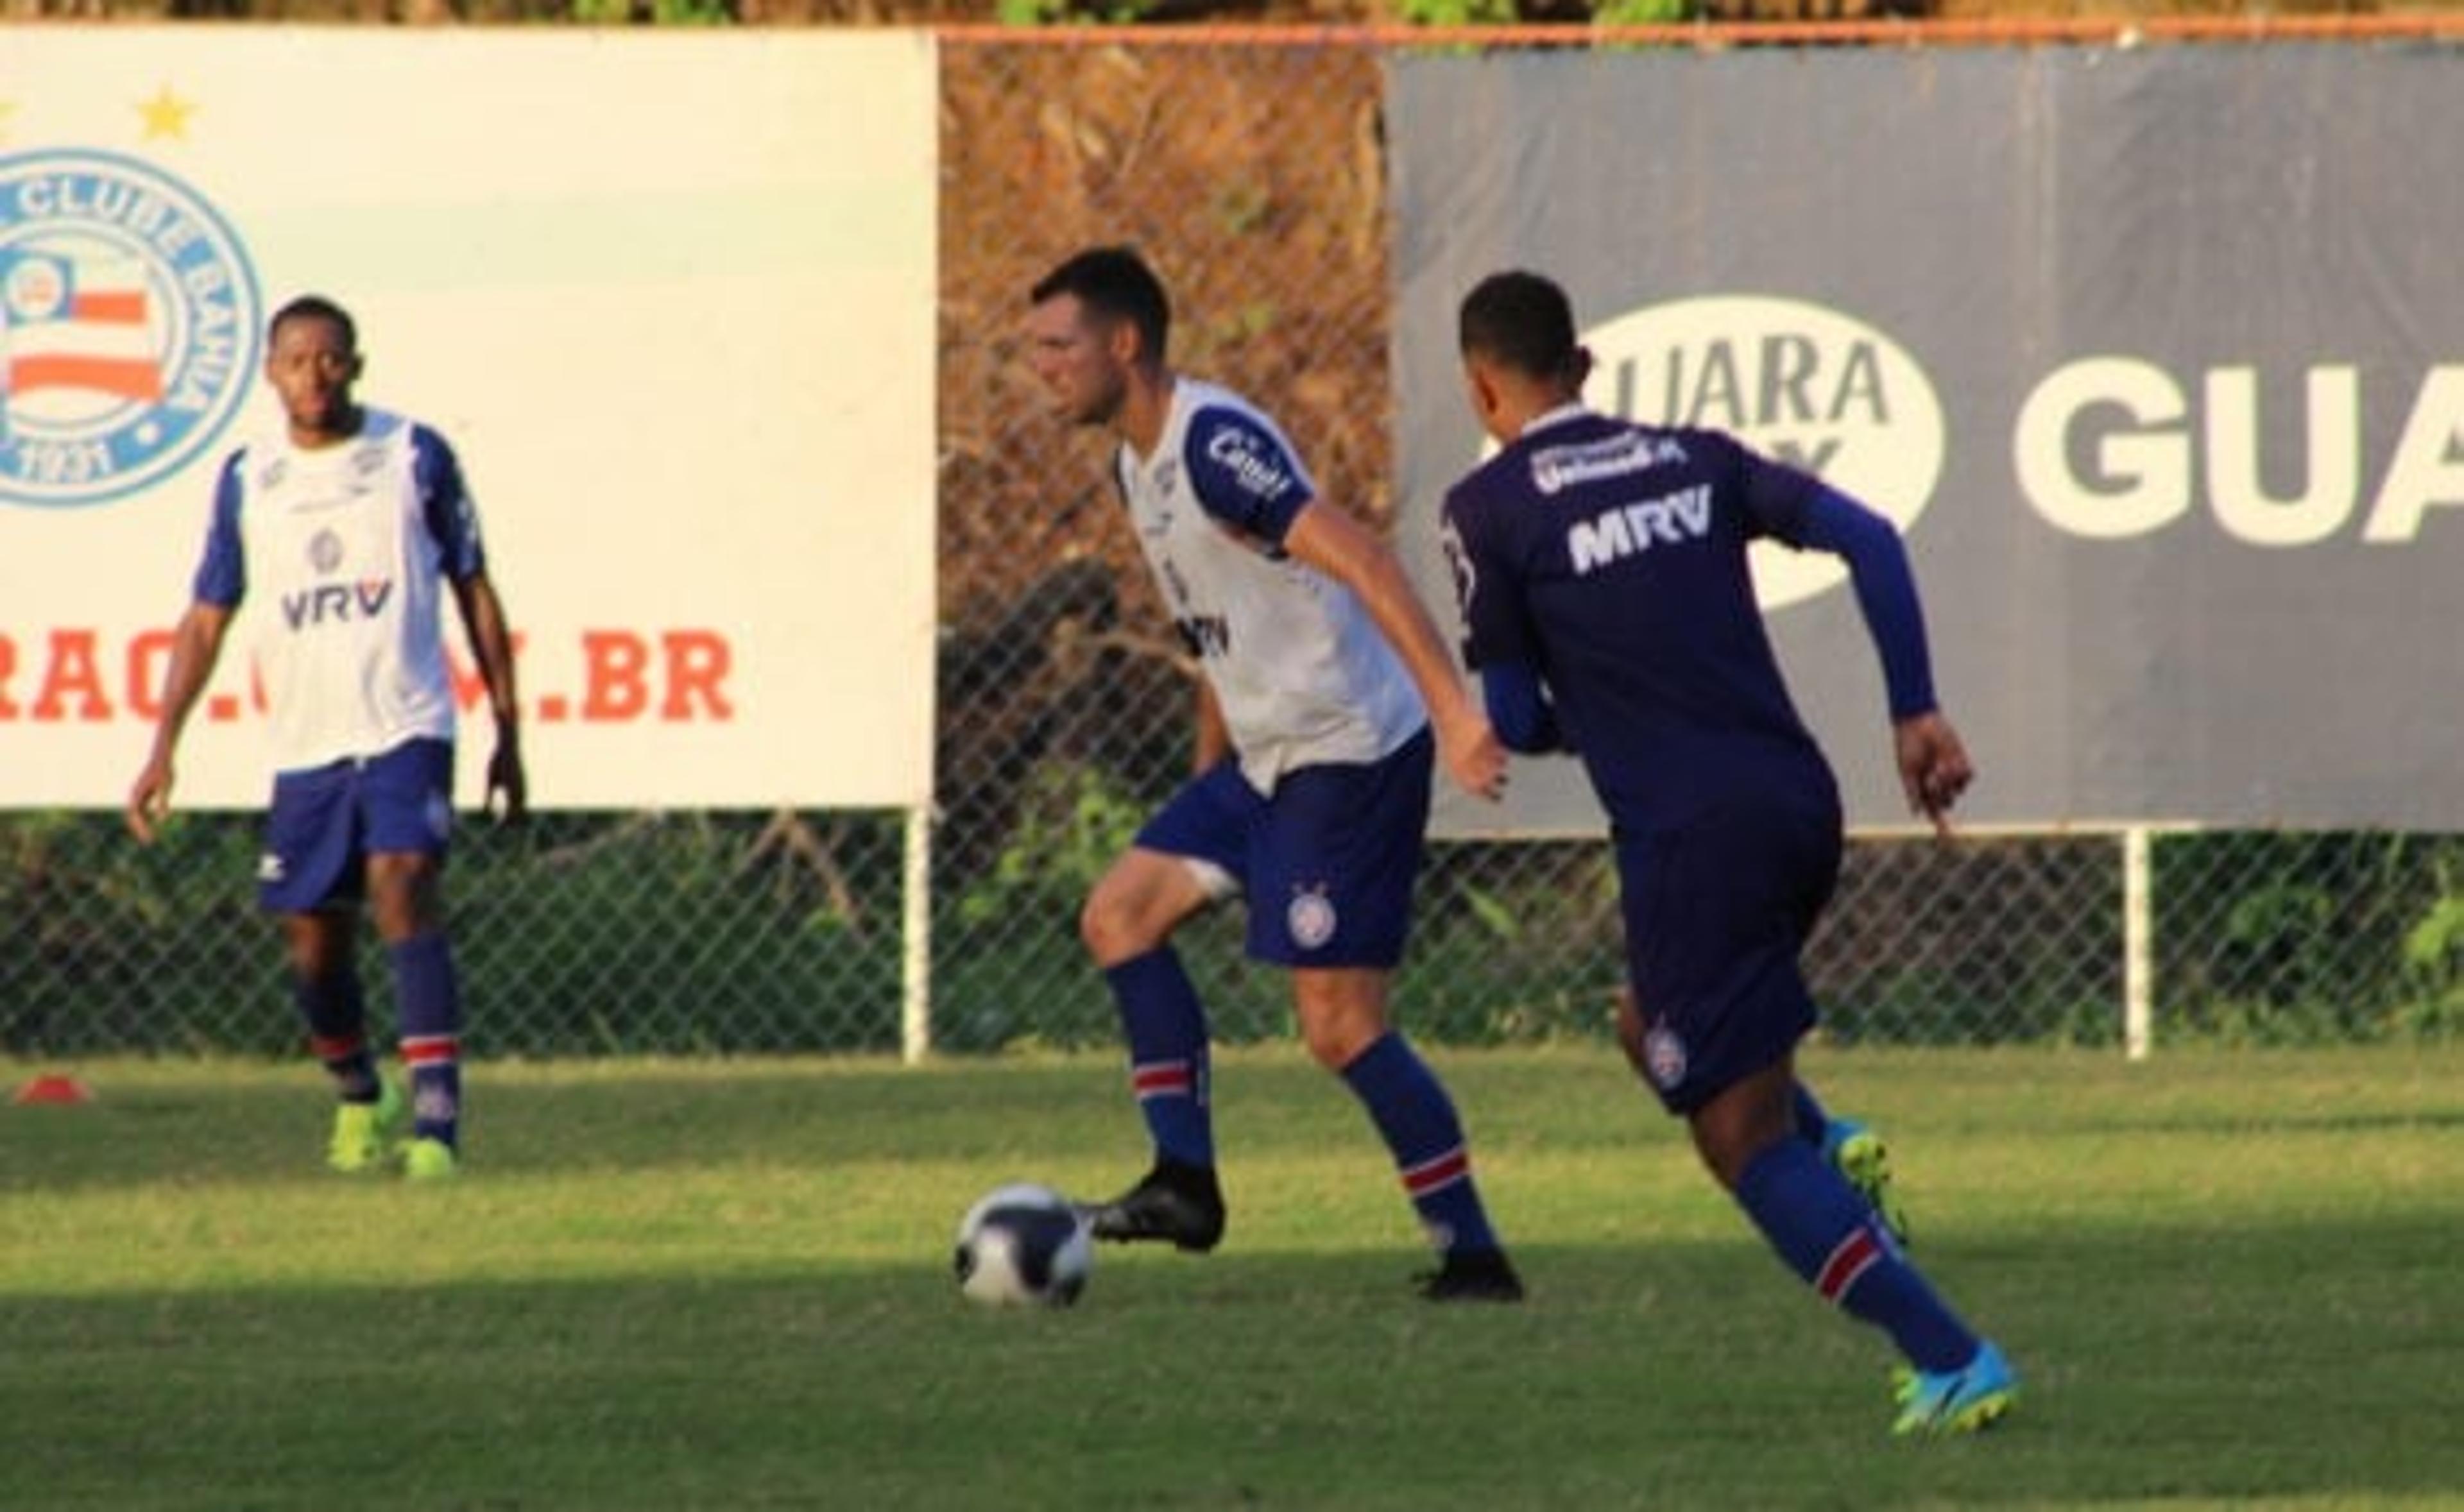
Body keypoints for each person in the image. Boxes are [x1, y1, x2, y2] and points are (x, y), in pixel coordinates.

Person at [1439, 269, 2017, 1431]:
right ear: (1585, 367)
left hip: (1691, 837)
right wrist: (1913, 708)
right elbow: (1868, 534)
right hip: (1796, 804)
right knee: (1643, 1012)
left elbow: (1518, 709)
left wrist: (1566, 701)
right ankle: (1836, 1143)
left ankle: (1953, 1357)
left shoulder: (1487, 509)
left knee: (1735, 1139)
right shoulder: (1694, 458)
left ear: (1481, 387)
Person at [1023, 246, 1523, 1301]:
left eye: (1057, 346)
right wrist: (1213, 782)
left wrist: (1456, 713)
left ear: (1124, 343)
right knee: (1119, 915)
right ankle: (1184, 1183)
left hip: (1346, 758)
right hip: (1265, 769)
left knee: (1341, 1031)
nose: (1042, 369)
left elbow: (1369, 562)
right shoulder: (1132, 463)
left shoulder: (1217, 444)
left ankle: (1471, 1252)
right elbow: (1223, 627)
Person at [126, 294, 524, 1182]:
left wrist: (507, 724)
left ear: (357, 363)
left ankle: (436, 1126)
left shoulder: (412, 456)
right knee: (312, 939)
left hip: (406, 723)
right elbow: (205, 619)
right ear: (271, 372)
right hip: (308, 744)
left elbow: (474, 587)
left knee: (404, 884)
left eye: (330, 358)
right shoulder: (248, 479)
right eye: (296, 360)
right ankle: (359, 1093)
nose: (314, 375)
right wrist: (163, 746)